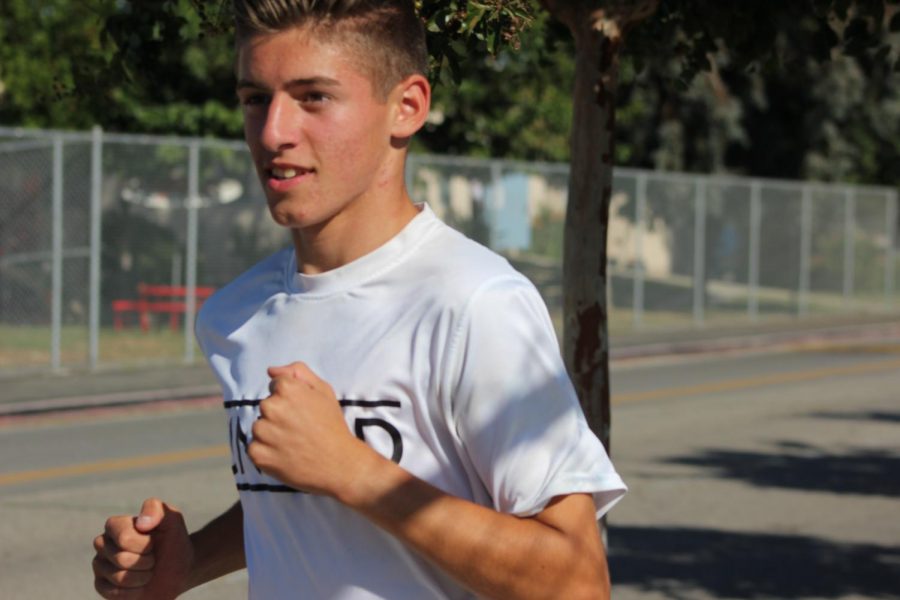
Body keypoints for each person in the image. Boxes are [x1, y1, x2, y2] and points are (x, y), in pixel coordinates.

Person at [91, 1, 626, 598]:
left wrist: (356, 471)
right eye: (255, 98)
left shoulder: (473, 303)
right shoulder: (234, 316)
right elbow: (307, 507)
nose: (273, 131)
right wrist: (187, 562)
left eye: (313, 96)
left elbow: (578, 582)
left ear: (407, 107)